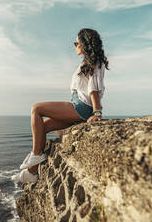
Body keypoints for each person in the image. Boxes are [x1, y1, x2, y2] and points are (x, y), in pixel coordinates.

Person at [11, 28, 110, 183]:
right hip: (78, 106)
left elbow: (94, 88)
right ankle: (31, 173)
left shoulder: (95, 62)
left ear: (84, 43)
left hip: (82, 107)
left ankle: (36, 156)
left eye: (77, 42)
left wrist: (97, 113)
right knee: (42, 127)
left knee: (36, 109)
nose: (75, 45)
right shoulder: (87, 62)